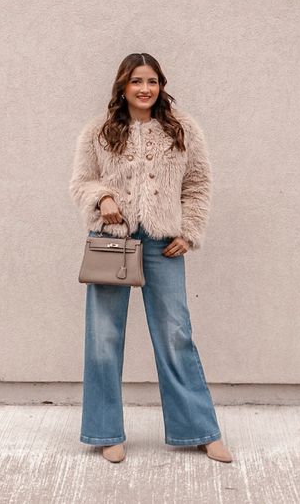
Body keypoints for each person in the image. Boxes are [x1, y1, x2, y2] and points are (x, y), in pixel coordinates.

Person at [69, 52, 233, 464]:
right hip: (112, 240)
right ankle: (106, 432)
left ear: (161, 85)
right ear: (122, 86)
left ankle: (199, 429)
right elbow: (81, 181)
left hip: (164, 243)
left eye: (153, 81)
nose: (145, 89)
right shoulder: (99, 132)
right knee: (103, 338)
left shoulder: (182, 130)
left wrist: (189, 232)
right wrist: (102, 197)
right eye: (137, 81)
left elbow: (197, 184)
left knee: (176, 334)